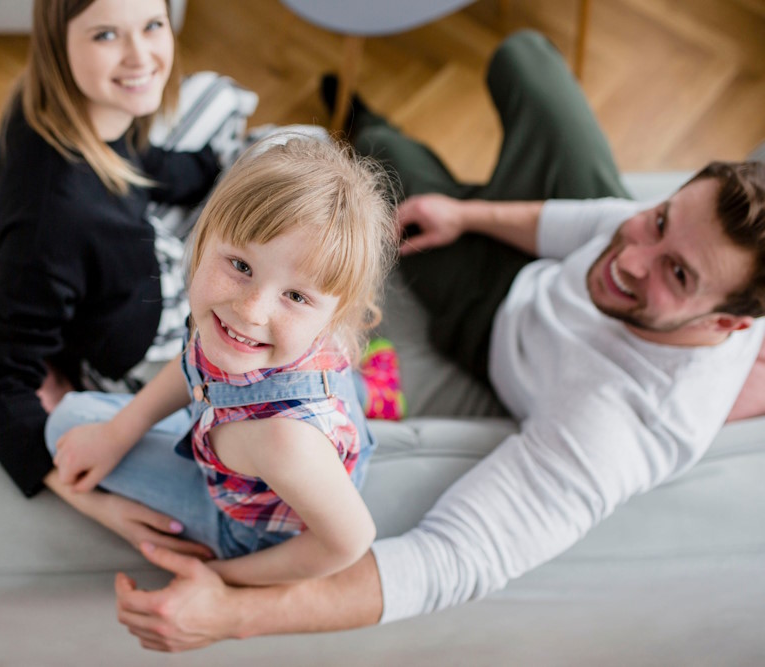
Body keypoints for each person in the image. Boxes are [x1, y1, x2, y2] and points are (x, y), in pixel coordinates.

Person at [110, 30, 765, 651]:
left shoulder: (618, 429)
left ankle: (365, 117)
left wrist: (232, 613)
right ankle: (428, 166)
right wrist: (469, 214)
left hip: (488, 318)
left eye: (676, 274)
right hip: (530, 267)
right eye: (657, 219)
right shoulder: (640, 246)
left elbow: (449, 558)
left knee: (386, 161)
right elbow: (596, 223)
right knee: (524, 57)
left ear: (730, 324)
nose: (630, 259)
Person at [44, 136, 399, 586]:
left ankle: (371, 394)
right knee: (98, 427)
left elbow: (350, 541)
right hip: (245, 438)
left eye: (294, 296)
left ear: (334, 317)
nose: (251, 311)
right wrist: (118, 433)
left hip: (243, 529)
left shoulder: (284, 442)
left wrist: (224, 579)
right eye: (240, 265)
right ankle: (373, 389)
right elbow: (195, 365)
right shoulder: (235, 329)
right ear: (203, 238)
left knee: (65, 421)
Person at [0, 0, 224, 556]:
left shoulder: (66, 100)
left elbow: (131, 156)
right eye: (106, 35)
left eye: (153, 25)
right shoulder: (53, 221)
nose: (141, 56)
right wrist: (87, 498)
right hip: (132, 342)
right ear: (59, 43)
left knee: (270, 135)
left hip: (121, 268)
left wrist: (210, 170)